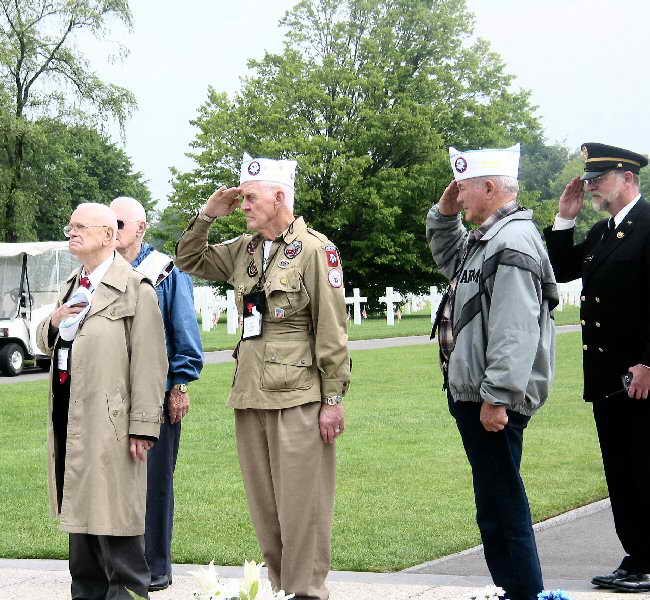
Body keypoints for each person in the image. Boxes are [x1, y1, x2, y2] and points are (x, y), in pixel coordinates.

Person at [175, 154, 351, 600]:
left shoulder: (315, 250)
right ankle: (280, 591)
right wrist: (208, 215)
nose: (244, 205)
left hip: (298, 394)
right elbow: (189, 258)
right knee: (266, 510)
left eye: (251, 198)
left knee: (303, 509)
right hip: (251, 391)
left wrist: (332, 400)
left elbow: (331, 329)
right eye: (242, 198)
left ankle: (307, 593)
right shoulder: (245, 249)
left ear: (279, 197)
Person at [427, 144, 557, 600]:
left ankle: (523, 592)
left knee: (503, 506)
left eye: (463, 187)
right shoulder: (489, 238)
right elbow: (449, 256)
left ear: (488, 187)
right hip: (476, 394)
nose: (458, 194)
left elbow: (514, 328)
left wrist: (498, 395)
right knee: (494, 505)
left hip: (490, 398)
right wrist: (444, 212)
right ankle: (512, 589)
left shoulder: (512, 241)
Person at [36, 203, 168, 600]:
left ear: (108, 236)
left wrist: (144, 427)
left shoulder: (136, 288)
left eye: (80, 226)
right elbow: (47, 341)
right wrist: (53, 322)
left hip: (112, 425)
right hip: (72, 418)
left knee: (116, 526)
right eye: (70, 226)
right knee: (82, 536)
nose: (71, 232)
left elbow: (150, 362)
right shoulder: (74, 284)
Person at [543, 142, 650, 593]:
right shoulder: (605, 232)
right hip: (608, 376)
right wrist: (564, 220)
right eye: (588, 181)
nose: (590, 188)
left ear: (628, 178)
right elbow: (560, 269)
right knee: (621, 471)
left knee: (643, 468)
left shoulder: (647, 225)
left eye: (598, 180)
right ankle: (638, 556)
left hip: (641, 375)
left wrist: (647, 360)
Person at [110, 196, 204, 593]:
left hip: (157, 395)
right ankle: (119, 565)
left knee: (155, 485)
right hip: (112, 397)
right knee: (114, 484)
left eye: (119, 223)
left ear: (141, 227)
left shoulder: (166, 271)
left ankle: (155, 568)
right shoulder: (103, 270)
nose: (112, 229)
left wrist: (179, 385)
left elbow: (184, 333)